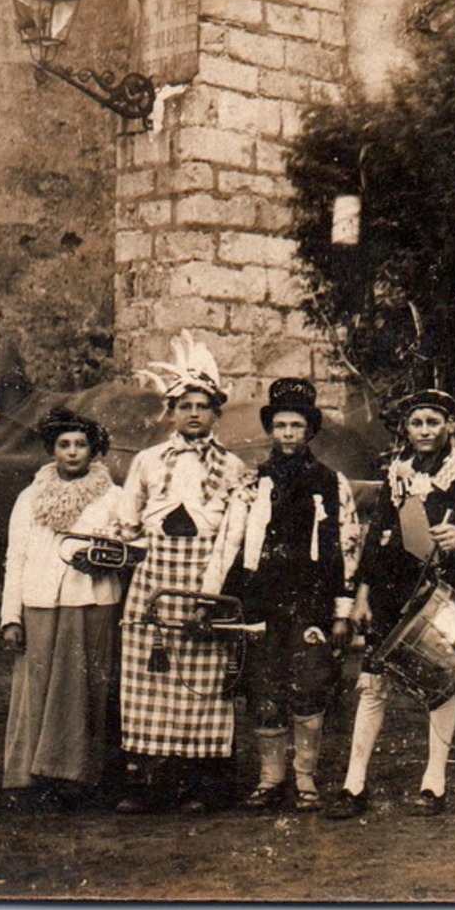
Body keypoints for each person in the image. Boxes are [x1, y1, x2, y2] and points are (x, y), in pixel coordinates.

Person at [329, 389, 455, 819]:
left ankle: (433, 784)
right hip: (389, 592)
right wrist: (363, 594)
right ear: (406, 428)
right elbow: (378, 533)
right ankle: (354, 784)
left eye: (433, 422)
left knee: (438, 683)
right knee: (374, 683)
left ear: (449, 427)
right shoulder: (397, 471)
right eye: (417, 423)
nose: (425, 430)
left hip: (438, 589)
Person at [115, 336, 251, 814]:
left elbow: (234, 534)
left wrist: (213, 590)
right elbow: (128, 519)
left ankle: (200, 785)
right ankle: (149, 783)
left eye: (203, 407)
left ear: (216, 414)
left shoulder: (233, 467)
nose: (194, 415)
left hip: (204, 580)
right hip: (154, 577)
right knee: (150, 683)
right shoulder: (147, 462)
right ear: (171, 412)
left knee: (204, 683)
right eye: (185, 406)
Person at [225, 378, 360, 813]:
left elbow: (346, 546)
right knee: (264, 686)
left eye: (296, 425)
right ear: (270, 430)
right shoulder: (253, 481)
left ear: (309, 431)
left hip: (310, 604)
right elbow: (233, 542)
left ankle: (304, 777)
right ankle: (270, 778)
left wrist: (341, 611)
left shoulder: (329, 482)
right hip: (262, 602)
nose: (287, 433)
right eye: (280, 425)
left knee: (309, 687)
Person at [0, 408, 127, 809]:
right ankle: (34, 779)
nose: (72, 453)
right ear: (52, 449)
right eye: (64, 445)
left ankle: (82, 778)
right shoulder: (30, 497)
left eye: (81, 444)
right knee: (36, 689)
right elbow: (16, 557)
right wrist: (10, 617)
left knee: (85, 690)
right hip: (39, 603)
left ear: (94, 450)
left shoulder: (114, 497)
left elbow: (128, 548)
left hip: (91, 603)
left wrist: (107, 556)